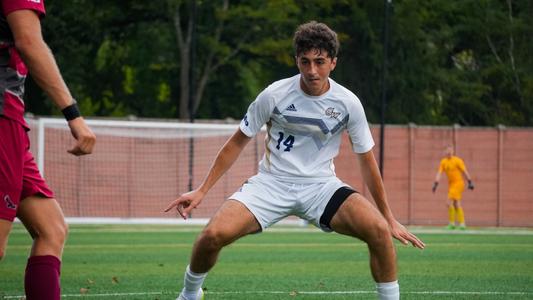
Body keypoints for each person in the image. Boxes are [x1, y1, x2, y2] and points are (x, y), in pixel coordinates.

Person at [165, 21, 425, 300]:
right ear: (296, 60)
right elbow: (237, 142)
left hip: (321, 187)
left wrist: (389, 217)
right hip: (271, 184)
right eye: (305, 61)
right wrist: (202, 190)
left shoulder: (348, 103)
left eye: (320, 62)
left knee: (379, 232)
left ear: (333, 63)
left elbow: (367, 161)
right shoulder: (274, 94)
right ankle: (190, 294)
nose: (312, 70)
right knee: (211, 236)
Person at [0, 1, 96, 299]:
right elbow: (29, 40)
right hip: (2, 117)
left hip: (11, 119)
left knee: (51, 228)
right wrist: (74, 115)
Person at [432, 145, 474, 230]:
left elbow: (464, 171)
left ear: (453, 151)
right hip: (451, 185)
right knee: (456, 204)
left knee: (448, 202)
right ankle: (461, 224)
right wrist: (436, 183)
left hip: (458, 183)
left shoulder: (457, 160)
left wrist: (469, 181)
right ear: (445, 152)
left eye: (450, 150)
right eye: (447, 151)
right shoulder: (443, 162)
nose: (449, 152)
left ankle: (452, 223)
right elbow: (439, 173)